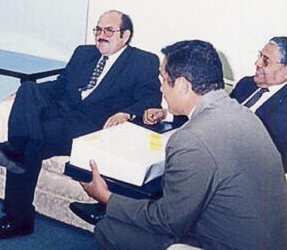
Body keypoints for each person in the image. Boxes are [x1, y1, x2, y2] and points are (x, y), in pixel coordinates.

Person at [82, 40, 287, 250]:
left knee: (109, 229)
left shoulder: (190, 140)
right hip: (267, 239)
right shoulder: (243, 114)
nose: (161, 87)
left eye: (163, 78)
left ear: (181, 85)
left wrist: (106, 197)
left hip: (222, 243)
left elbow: (168, 220)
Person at [0, 10, 162, 240]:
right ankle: (17, 151)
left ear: (125, 35)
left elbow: (150, 99)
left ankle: (17, 217)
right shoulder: (84, 53)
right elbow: (61, 85)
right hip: (63, 113)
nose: (100, 35)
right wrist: (24, 95)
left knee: (31, 146)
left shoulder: (143, 62)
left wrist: (127, 113)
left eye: (108, 30)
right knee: (28, 88)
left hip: (91, 126)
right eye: (98, 29)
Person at [144, 37, 287, 171]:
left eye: (266, 60)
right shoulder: (246, 84)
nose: (257, 63)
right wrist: (166, 114)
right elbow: (212, 113)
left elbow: (275, 157)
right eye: (260, 56)